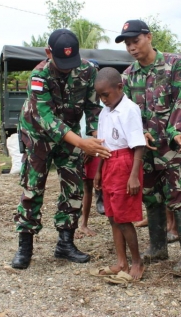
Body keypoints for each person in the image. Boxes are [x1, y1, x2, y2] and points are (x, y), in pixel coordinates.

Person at [11, 29, 111, 269]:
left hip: (71, 135)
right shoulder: (39, 75)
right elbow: (43, 116)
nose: (67, 68)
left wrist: (97, 135)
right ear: (48, 53)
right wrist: (80, 141)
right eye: (62, 62)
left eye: (71, 62)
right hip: (38, 136)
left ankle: (65, 243)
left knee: (74, 187)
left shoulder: (88, 71)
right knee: (32, 188)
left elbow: (92, 107)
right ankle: (25, 246)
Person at [115, 19, 181, 275]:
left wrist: (175, 132)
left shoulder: (174, 65)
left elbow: (180, 103)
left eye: (135, 41)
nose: (131, 47)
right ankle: (158, 247)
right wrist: (140, 133)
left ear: (149, 37)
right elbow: (128, 114)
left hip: (172, 147)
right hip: (146, 149)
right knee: (151, 196)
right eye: (127, 43)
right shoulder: (128, 76)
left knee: (179, 197)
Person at [90, 67, 146, 281]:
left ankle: (137, 261)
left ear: (120, 88)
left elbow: (138, 145)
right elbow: (104, 144)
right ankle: (121, 261)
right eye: (100, 95)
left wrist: (134, 176)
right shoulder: (105, 111)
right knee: (112, 216)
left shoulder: (129, 109)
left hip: (126, 163)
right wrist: (98, 171)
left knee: (124, 218)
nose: (103, 99)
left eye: (106, 94)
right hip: (108, 162)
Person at [78, 58, 102, 238]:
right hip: (80, 146)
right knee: (81, 187)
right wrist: (82, 146)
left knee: (98, 185)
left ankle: (85, 222)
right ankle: (81, 224)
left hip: (96, 148)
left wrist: (93, 149)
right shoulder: (77, 97)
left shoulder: (103, 99)